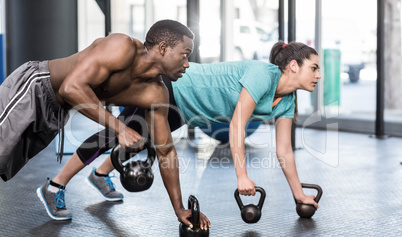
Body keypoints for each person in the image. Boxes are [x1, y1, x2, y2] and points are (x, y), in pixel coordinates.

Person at [48, 40, 321, 226]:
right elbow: (237, 125)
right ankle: (55, 186)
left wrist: (299, 195)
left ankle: (100, 174)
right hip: (175, 85)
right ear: (294, 66)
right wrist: (241, 175)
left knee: (141, 142)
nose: (318, 75)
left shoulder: (287, 101)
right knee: (117, 133)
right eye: (314, 68)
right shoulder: (264, 74)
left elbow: (284, 150)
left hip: (187, 110)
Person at [0, 20, 209, 227]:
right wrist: (120, 128)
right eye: (185, 54)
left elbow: (166, 152)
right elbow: (70, 88)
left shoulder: (156, 93)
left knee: (5, 163)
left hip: (57, 112)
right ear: (163, 48)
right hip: (34, 87)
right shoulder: (122, 47)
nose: (187, 64)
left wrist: (179, 209)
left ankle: (52, 189)